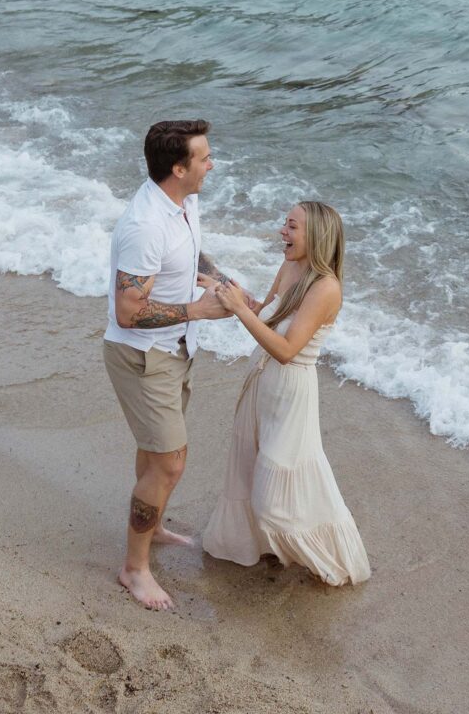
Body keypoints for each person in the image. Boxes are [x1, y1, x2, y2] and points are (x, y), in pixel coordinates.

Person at [103, 119, 246, 612]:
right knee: (170, 462)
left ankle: (154, 524)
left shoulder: (183, 201)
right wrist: (196, 310)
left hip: (175, 348)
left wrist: (221, 282)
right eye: (205, 158)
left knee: (158, 456)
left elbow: (189, 252)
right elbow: (128, 310)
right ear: (179, 168)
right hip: (143, 355)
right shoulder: (144, 225)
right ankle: (134, 569)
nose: (212, 164)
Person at [202, 201, 371, 587]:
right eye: (285, 224)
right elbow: (267, 314)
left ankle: (324, 557)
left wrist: (239, 311)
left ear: (316, 235)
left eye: (292, 226)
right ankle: (258, 547)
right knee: (247, 470)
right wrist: (229, 291)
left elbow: (286, 348)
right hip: (260, 383)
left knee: (275, 496)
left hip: (291, 392)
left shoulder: (327, 288)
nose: (283, 232)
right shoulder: (290, 266)